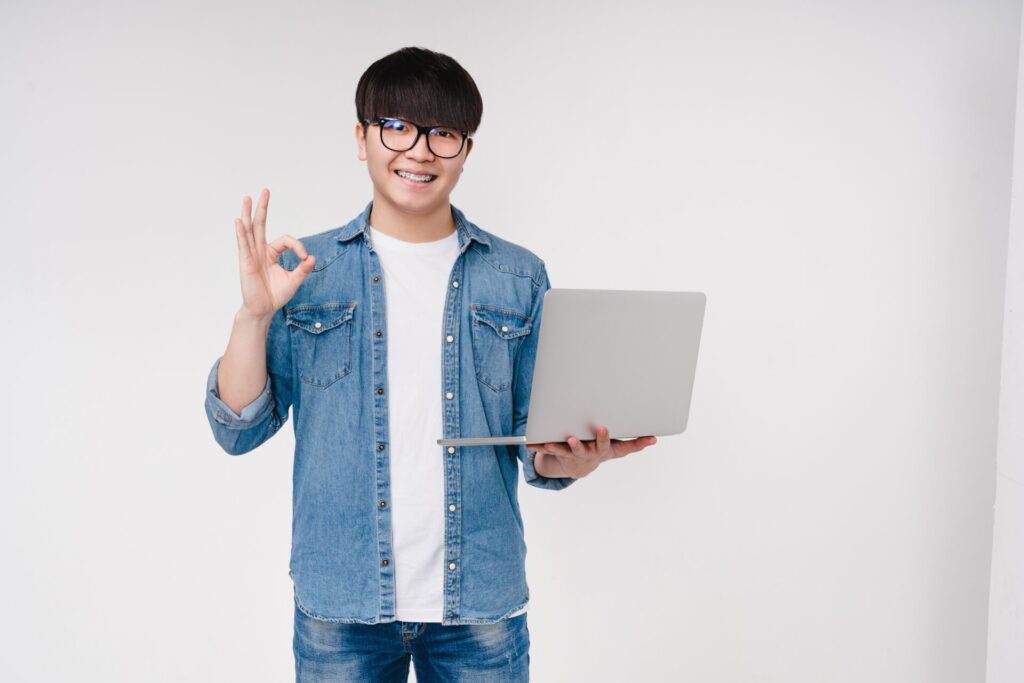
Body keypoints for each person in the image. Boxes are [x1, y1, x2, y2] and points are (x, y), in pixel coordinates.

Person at [203, 46, 657, 682]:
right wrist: (252, 316)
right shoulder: (305, 269)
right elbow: (238, 429)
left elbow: (537, 444)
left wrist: (571, 458)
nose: (418, 151)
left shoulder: (517, 275)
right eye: (397, 127)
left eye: (443, 133)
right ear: (362, 139)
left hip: (480, 608)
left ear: (466, 150)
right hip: (341, 603)